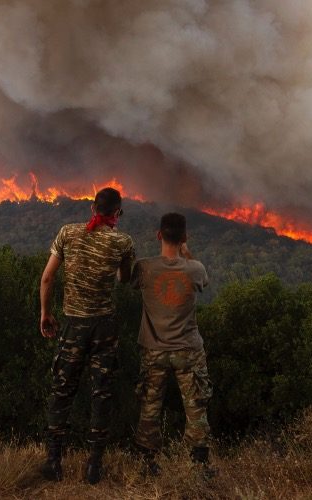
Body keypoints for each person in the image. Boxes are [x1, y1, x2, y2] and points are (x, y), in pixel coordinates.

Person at [39, 187, 135, 485]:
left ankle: (54, 463)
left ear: (93, 207)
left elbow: (47, 277)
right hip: (103, 327)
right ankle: (94, 466)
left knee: (62, 391)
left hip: (73, 325)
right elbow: (126, 278)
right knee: (101, 393)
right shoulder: (123, 241)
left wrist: (45, 313)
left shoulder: (67, 233)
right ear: (117, 213)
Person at [131, 212, 214, 477]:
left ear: (158, 235)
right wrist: (187, 254)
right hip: (188, 350)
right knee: (195, 406)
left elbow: (127, 280)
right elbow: (203, 281)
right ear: (184, 238)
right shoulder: (195, 268)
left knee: (150, 405)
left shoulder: (144, 268)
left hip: (154, 350)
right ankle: (199, 467)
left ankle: (146, 464)